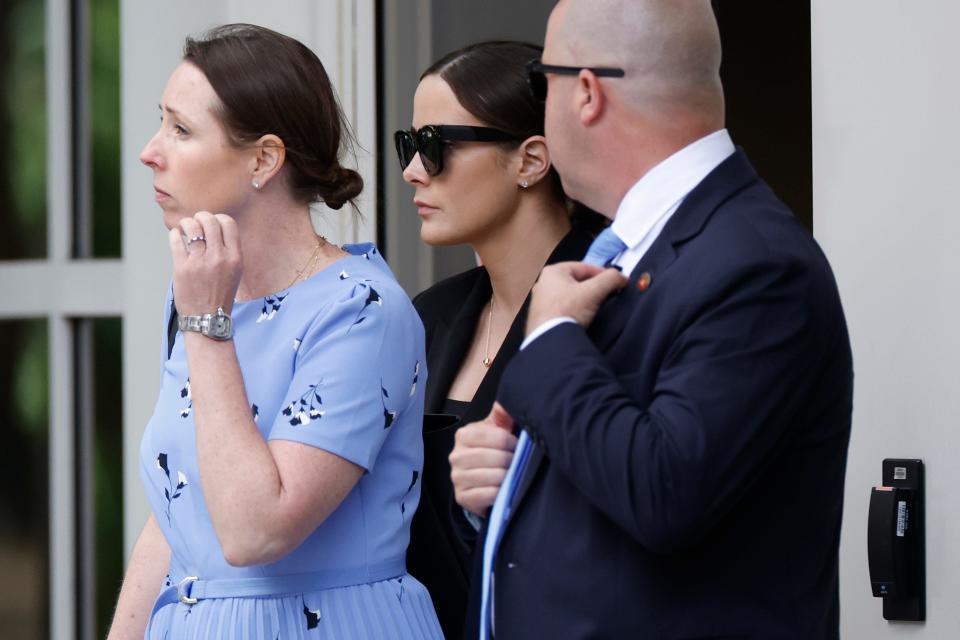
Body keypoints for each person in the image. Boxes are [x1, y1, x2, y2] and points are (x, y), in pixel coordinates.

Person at [449, 1, 854, 638]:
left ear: (586, 91)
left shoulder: (757, 265)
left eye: (539, 80)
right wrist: (513, 478)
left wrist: (552, 340)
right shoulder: (639, 247)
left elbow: (664, 490)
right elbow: (608, 457)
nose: (542, 105)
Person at [107, 24, 442, 639]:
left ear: (264, 158)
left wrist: (207, 326)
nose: (150, 151)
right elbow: (177, 509)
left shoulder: (363, 310)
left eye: (181, 130)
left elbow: (255, 530)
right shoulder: (201, 291)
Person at [396, 40, 602, 638]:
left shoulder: (610, 305)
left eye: (435, 145)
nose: (413, 169)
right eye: (409, 145)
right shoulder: (430, 315)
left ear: (531, 161)